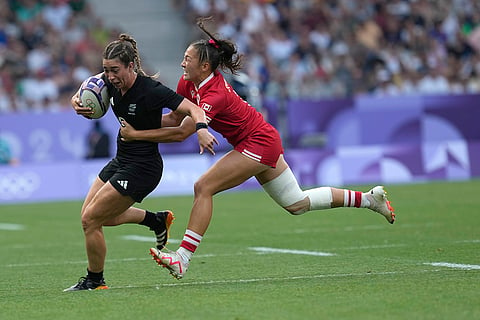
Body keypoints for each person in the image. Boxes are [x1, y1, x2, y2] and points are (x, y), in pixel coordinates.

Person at [119, 19, 395, 280]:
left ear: (204, 66)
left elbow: (182, 133)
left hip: (258, 143)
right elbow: (173, 120)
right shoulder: (187, 83)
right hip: (259, 140)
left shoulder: (214, 94)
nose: (182, 63)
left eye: (188, 59)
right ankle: (370, 200)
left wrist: (137, 135)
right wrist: (136, 120)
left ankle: (183, 258)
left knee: (203, 187)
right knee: (296, 204)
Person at [63, 33, 218, 291]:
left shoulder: (150, 91)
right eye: (106, 70)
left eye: (115, 70)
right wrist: (75, 102)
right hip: (121, 159)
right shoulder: (109, 81)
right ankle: (155, 220)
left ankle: (95, 280)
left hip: (143, 168)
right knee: (93, 218)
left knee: (91, 220)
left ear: (131, 66)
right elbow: (85, 88)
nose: (110, 76)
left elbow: (194, 109)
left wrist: (201, 128)